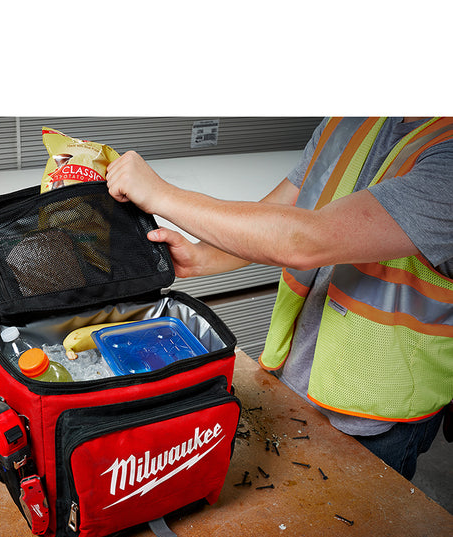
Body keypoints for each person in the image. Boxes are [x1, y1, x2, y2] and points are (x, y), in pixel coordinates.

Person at [106, 117, 453, 480]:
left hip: (378, 411)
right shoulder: (352, 119)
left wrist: (161, 194)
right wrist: (203, 256)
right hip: (293, 376)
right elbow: (283, 210)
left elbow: (305, 240)